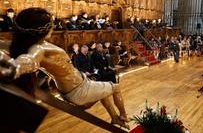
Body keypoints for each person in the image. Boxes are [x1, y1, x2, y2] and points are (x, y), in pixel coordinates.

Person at [0, 8, 129, 128]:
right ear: (46, 28)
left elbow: (8, 46)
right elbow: (29, 60)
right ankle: (123, 116)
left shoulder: (36, 45)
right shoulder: (39, 48)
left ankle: (114, 117)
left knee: (104, 90)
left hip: (78, 85)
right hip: (79, 90)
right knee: (115, 87)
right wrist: (15, 68)